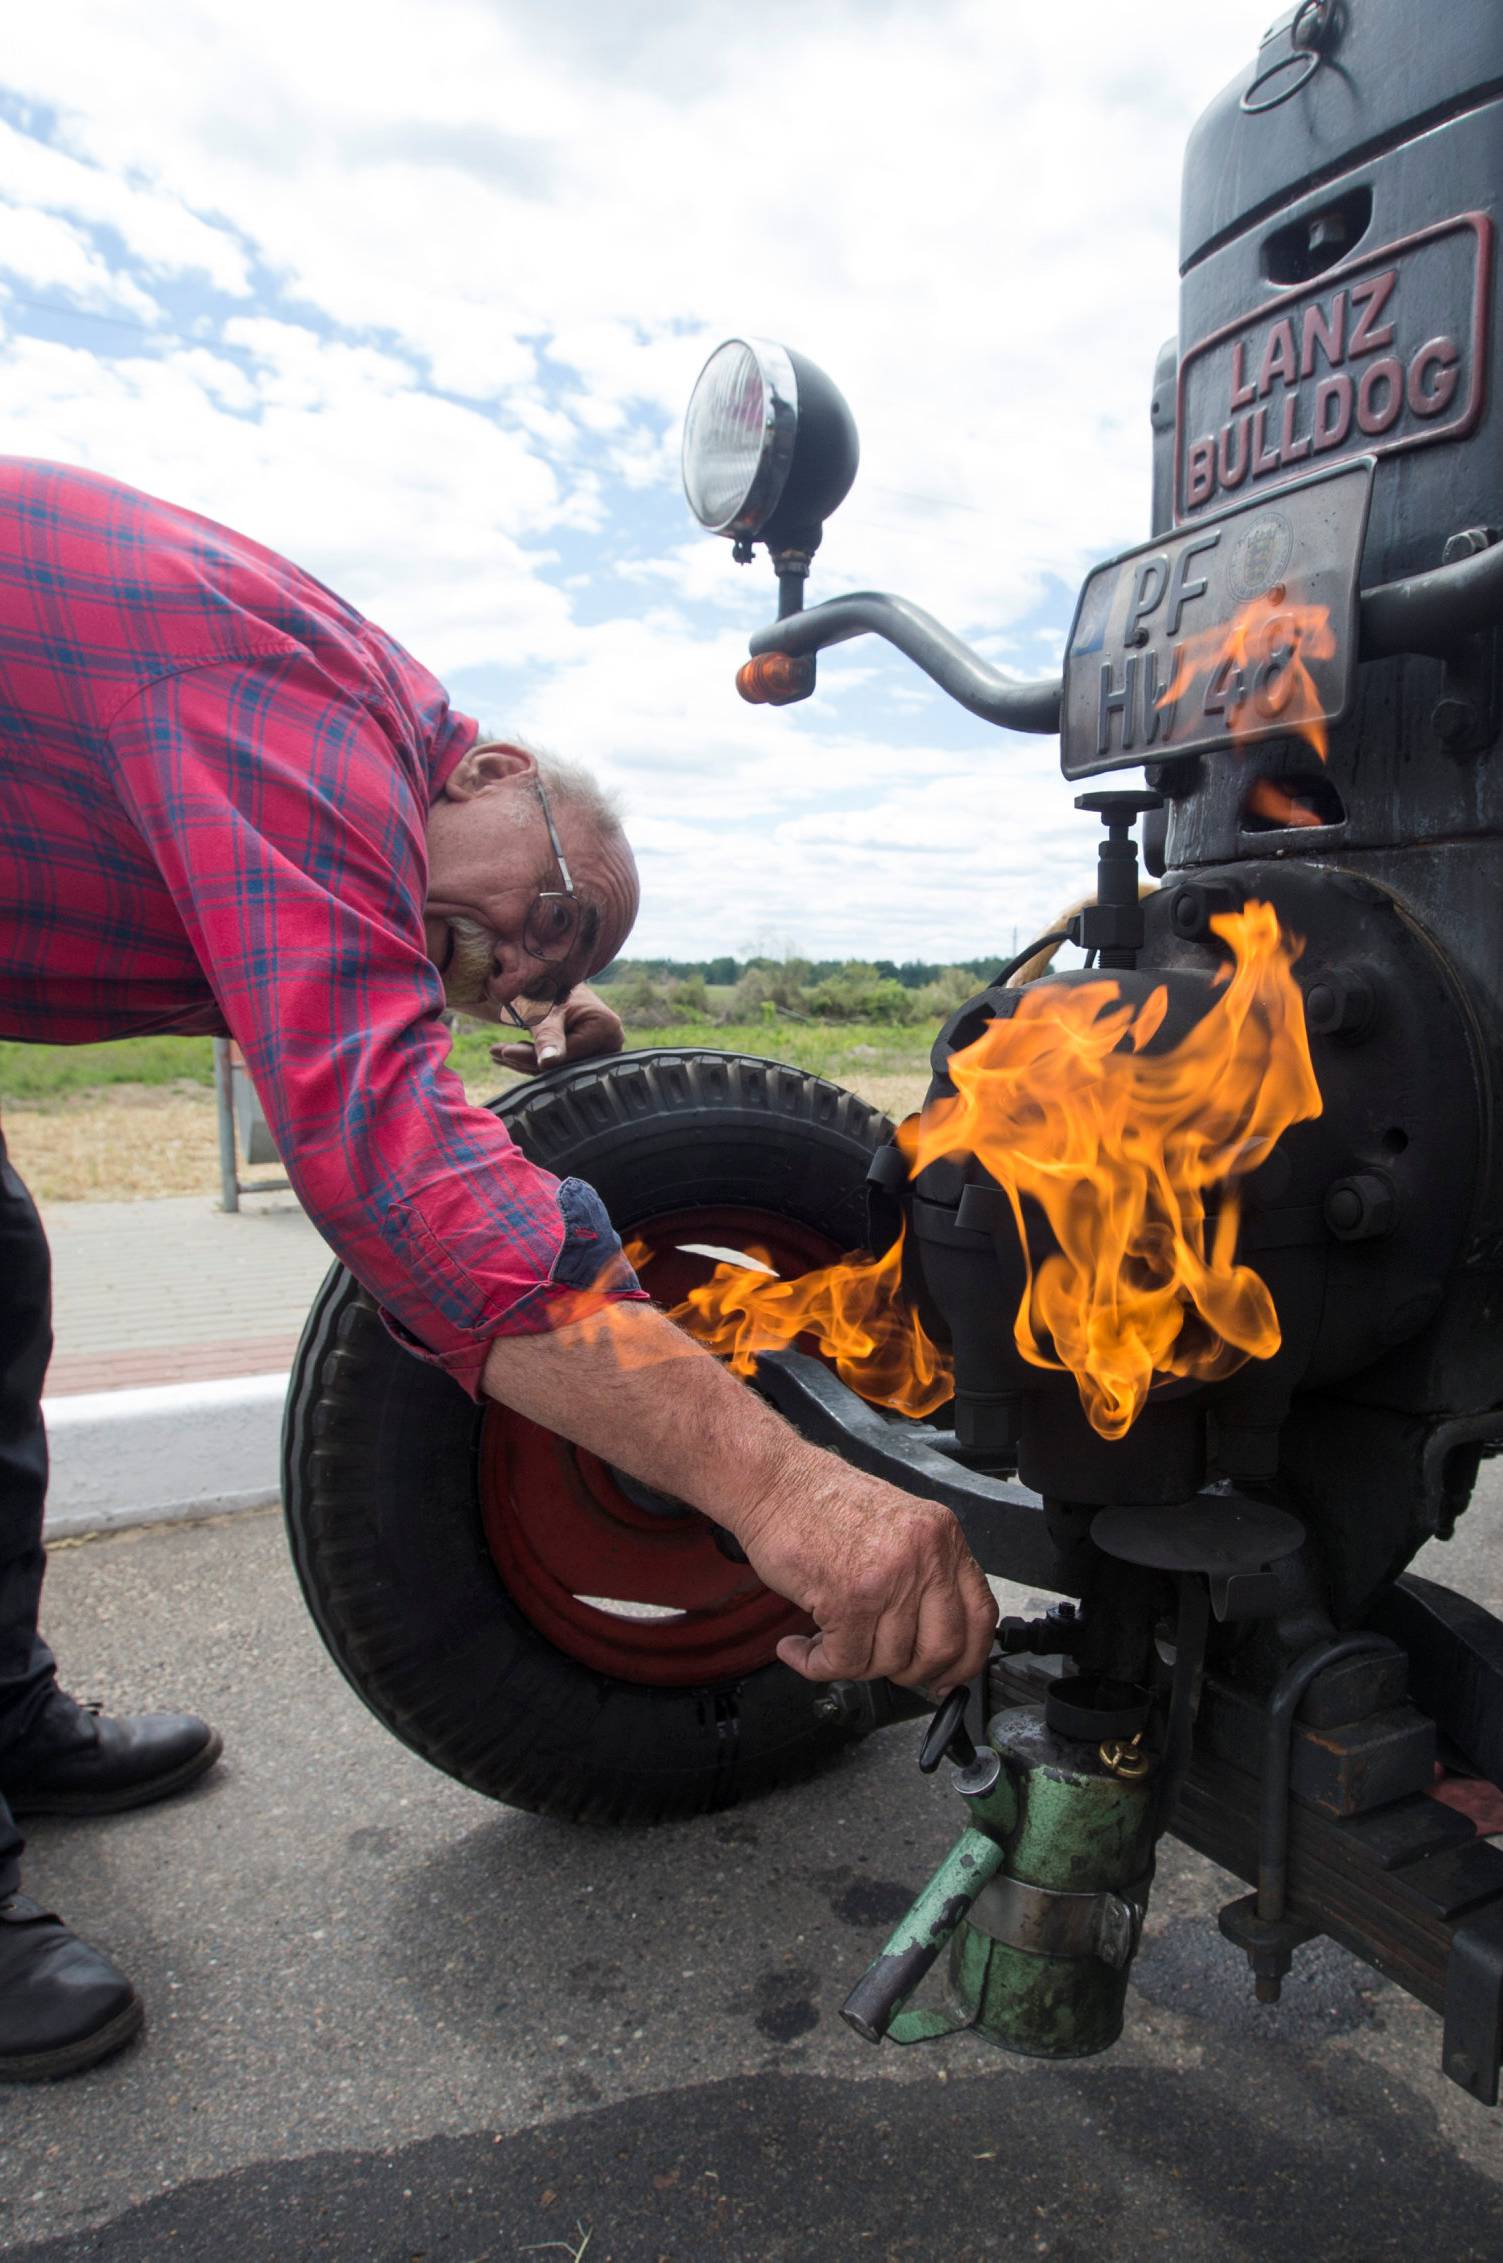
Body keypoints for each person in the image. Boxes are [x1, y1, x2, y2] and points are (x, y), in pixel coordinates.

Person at [0, 457, 997, 2081]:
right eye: (550, 912)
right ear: (494, 765)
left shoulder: (370, 804)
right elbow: (389, 1166)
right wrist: (785, 1493)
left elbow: (395, 968)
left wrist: (529, 984)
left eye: (566, 962)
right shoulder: (318, 716)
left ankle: (5, 1716)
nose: (530, 970)